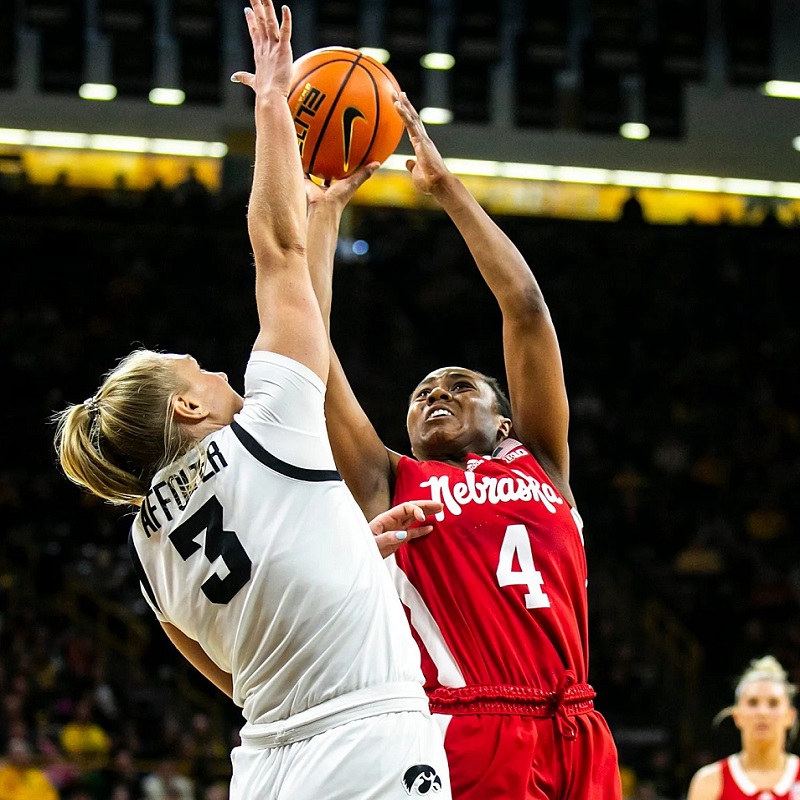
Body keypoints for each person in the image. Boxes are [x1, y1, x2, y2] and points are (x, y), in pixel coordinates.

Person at [52, 3, 450, 799]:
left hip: (268, 764)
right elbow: (277, 252)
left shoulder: (147, 546)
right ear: (186, 411)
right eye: (195, 369)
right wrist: (275, 104)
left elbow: (238, 674)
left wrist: (347, 551)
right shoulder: (268, 430)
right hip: (368, 740)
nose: (219, 374)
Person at [306, 91, 622, 799]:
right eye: (422, 392)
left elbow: (527, 310)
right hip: (466, 726)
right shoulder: (389, 477)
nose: (437, 393)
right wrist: (323, 217)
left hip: (576, 725)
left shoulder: (541, 461)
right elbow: (311, 351)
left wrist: (447, 189)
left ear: (505, 421)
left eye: (459, 384)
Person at [686, 655, 800, 800]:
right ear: (736, 716)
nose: (762, 712)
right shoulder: (709, 782)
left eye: (773, 703)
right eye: (753, 703)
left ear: (790, 716)